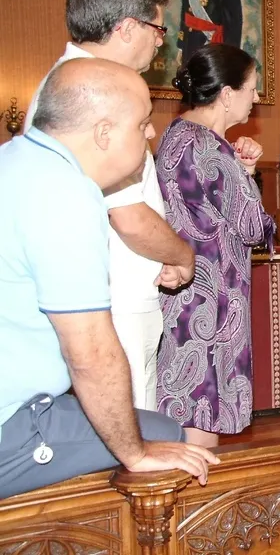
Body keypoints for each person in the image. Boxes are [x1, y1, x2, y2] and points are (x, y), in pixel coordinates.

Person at [0, 58, 218, 499]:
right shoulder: (66, 192)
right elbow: (90, 354)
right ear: (103, 133)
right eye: (141, 124)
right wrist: (137, 454)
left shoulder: (15, 158)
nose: (151, 134)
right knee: (170, 440)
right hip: (11, 425)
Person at [23, 0, 195, 412]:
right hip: (110, 301)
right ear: (126, 27)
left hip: (115, 294)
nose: (162, 41)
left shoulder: (74, 83)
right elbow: (128, 216)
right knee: (132, 445)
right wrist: (180, 254)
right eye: (157, 28)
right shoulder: (91, 97)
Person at [155, 44, 275, 448]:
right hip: (213, 302)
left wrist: (244, 172)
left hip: (185, 298)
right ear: (226, 94)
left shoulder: (176, 134)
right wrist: (248, 178)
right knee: (200, 425)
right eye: (252, 88)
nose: (256, 98)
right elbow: (254, 226)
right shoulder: (210, 147)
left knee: (185, 413)